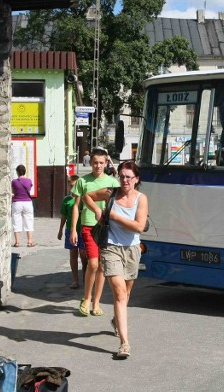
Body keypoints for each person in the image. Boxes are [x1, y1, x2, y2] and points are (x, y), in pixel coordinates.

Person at [83, 161, 148, 358]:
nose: (125, 180)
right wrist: (96, 211)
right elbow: (87, 196)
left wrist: (111, 215)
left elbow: (138, 227)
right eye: (122, 176)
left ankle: (116, 320)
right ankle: (124, 344)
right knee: (119, 294)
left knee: (126, 293)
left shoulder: (141, 199)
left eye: (129, 177)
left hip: (132, 250)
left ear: (136, 179)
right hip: (110, 247)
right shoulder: (110, 193)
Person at [70, 148, 119, 317]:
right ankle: (86, 298)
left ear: (106, 164)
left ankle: (96, 302)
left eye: (101, 163)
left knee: (102, 267)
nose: (98, 166)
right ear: (90, 163)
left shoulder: (112, 182)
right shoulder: (83, 182)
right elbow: (76, 206)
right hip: (89, 225)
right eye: (95, 163)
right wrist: (73, 230)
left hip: (106, 227)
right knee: (93, 263)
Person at [57, 174, 87, 289]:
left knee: (84, 256)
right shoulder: (67, 200)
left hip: (83, 230)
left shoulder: (85, 199)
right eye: (70, 185)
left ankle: (85, 276)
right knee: (73, 255)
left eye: (75, 185)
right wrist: (60, 230)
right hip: (71, 230)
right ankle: (75, 280)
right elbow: (64, 216)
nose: (72, 188)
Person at [11, 164, 35, 247]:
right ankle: (29, 241)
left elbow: (13, 191)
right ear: (25, 172)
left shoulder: (14, 181)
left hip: (17, 203)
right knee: (29, 221)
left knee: (16, 221)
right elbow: (29, 189)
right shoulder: (29, 181)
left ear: (17, 172)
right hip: (27, 203)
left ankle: (17, 242)